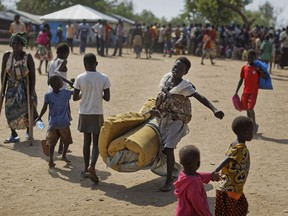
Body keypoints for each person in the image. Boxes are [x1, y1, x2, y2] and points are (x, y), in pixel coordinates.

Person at [149, 56, 224, 191]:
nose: (176, 70)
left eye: (180, 69)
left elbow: (199, 97)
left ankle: (168, 183)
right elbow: (162, 96)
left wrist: (214, 109)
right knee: (163, 149)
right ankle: (175, 172)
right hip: (164, 118)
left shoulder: (184, 86)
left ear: (185, 73)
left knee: (169, 148)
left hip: (177, 121)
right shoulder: (166, 78)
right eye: (175, 66)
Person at [73, 53, 111, 184]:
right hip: (97, 113)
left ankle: (85, 168)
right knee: (96, 142)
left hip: (84, 113)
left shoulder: (80, 78)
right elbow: (107, 98)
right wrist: (97, 91)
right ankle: (92, 166)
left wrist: (84, 93)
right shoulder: (104, 78)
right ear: (96, 63)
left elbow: (75, 97)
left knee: (86, 141)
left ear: (84, 65)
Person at [214, 116, 254, 216]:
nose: (253, 134)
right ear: (245, 133)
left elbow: (228, 158)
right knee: (239, 210)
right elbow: (228, 159)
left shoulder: (234, 144)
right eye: (251, 131)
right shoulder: (240, 148)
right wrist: (215, 170)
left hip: (229, 187)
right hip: (231, 189)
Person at [0, 33, 37, 142]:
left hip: (25, 88)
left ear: (22, 45)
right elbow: (3, 74)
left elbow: (32, 76)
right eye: (14, 43)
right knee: (9, 111)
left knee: (27, 110)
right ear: (11, 44)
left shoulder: (28, 57)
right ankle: (13, 134)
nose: (15, 45)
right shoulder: (7, 56)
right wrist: (2, 89)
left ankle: (28, 130)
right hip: (11, 88)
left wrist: (31, 93)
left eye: (18, 43)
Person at [35, 75, 73, 168]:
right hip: (64, 123)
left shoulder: (48, 95)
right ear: (60, 84)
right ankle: (64, 155)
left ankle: (51, 160)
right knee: (67, 141)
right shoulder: (65, 93)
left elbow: (44, 107)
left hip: (53, 123)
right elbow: (74, 89)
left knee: (52, 143)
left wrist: (39, 117)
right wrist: (69, 82)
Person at [174, 145, 221, 216]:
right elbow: (199, 205)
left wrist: (211, 176)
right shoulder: (194, 184)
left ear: (180, 162)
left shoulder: (183, 174)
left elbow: (199, 176)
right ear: (198, 163)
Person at [47, 43, 74, 154]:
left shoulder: (51, 63)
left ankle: (55, 146)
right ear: (65, 53)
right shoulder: (62, 61)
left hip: (52, 94)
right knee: (64, 121)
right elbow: (58, 74)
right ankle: (61, 148)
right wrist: (69, 83)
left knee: (54, 120)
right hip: (61, 96)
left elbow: (49, 80)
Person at [234, 49, 267, 134]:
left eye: (251, 58)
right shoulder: (244, 68)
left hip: (253, 92)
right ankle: (250, 125)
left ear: (254, 58)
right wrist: (236, 91)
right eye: (248, 57)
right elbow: (241, 80)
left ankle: (254, 124)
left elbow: (265, 77)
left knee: (250, 108)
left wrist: (260, 71)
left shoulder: (257, 68)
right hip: (245, 92)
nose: (249, 59)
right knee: (247, 109)